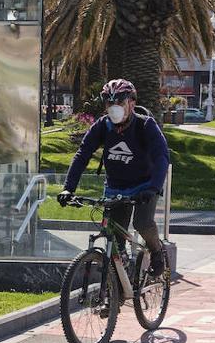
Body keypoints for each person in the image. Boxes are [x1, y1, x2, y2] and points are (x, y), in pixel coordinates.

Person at [58, 79, 171, 274]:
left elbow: (162, 157)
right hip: (115, 187)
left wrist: (153, 187)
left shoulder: (145, 125)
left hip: (144, 185)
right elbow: (82, 155)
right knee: (115, 241)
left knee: (142, 223)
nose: (114, 107)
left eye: (119, 102)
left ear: (131, 103)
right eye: (109, 103)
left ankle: (157, 251)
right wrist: (68, 188)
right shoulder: (103, 126)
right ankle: (117, 284)